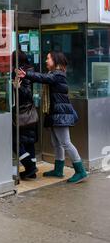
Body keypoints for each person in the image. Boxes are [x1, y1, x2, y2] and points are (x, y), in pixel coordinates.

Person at [17, 51, 88, 184]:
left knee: (66, 142)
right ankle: (58, 170)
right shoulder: (53, 74)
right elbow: (45, 78)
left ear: (55, 61)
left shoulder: (58, 75)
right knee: (57, 143)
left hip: (61, 114)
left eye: (48, 58)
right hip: (55, 113)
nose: (46, 61)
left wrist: (27, 74)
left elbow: (44, 78)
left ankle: (80, 171)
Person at [12, 50, 38, 180]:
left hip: (23, 111)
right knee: (29, 141)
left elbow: (27, 93)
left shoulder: (22, 73)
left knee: (15, 141)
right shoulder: (29, 70)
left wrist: (17, 87)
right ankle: (31, 172)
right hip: (28, 111)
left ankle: (30, 166)